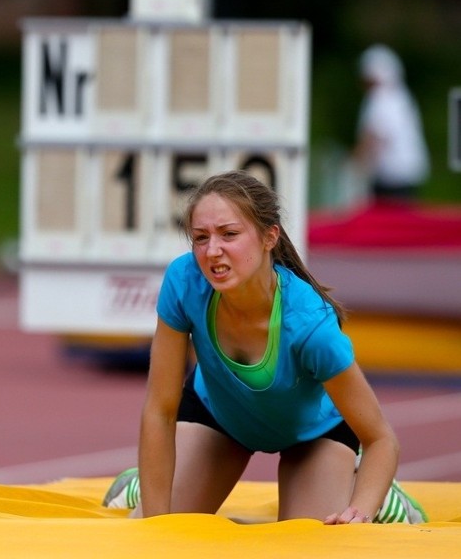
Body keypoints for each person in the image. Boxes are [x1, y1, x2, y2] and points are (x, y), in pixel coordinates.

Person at [103, 170, 427, 524]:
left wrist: (360, 510)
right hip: (219, 418)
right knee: (155, 521)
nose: (213, 251)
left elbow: (381, 439)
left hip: (313, 436)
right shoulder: (184, 281)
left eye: (229, 234)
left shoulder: (309, 325)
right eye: (200, 237)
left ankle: (378, 494)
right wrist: (155, 520)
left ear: (269, 237)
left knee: (303, 542)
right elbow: (160, 410)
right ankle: (139, 484)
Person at [353, 44, 429, 205]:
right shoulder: (402, 97)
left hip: (389, 180)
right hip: (407, 177)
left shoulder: (380, 98)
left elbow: (374, 137)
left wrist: (354, 167)